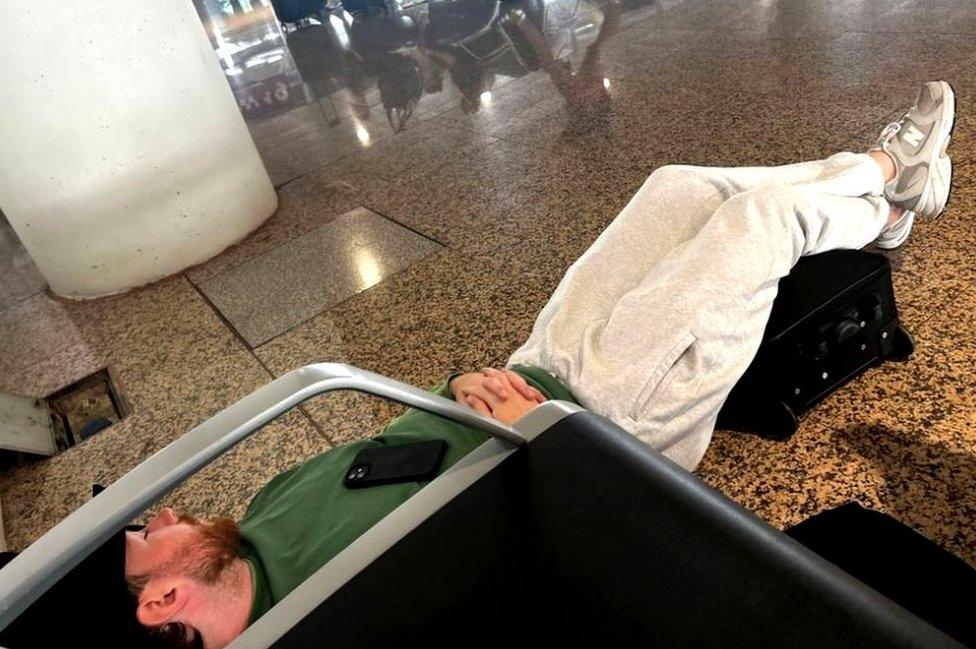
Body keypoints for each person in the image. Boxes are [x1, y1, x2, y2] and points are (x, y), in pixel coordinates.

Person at [0, 81, 955, 649]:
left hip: (530, 374)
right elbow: (544, 559)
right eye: (140, 533)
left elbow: (405, 437)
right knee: (759, 223)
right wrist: (536, 433)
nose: (160, 512)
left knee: (675, 188)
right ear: (160, 600)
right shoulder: (343, 606)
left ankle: (891, 194)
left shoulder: (255, 522)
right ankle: (885, 174)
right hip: (605, 429)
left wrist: (457, 391)